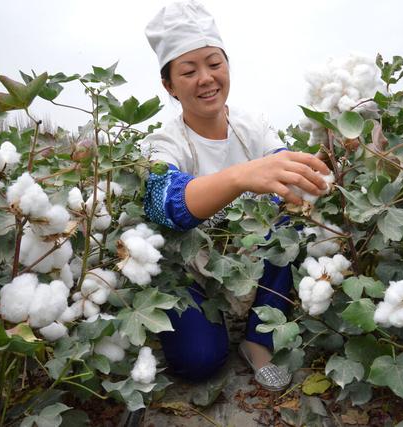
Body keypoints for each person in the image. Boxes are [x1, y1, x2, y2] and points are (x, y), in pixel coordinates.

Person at [142, 0, 329, 391]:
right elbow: (165, 205)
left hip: (249, 258)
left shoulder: (252, 125)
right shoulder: (164, 142)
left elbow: (284, 169)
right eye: (189, 71)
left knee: (288, 230)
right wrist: (242, 176)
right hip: (190, 272)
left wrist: (310, 172)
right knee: (199, 362)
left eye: (214, 64)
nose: (206, 78)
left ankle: (259, 340)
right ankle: (207, 324)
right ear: (169, 85)